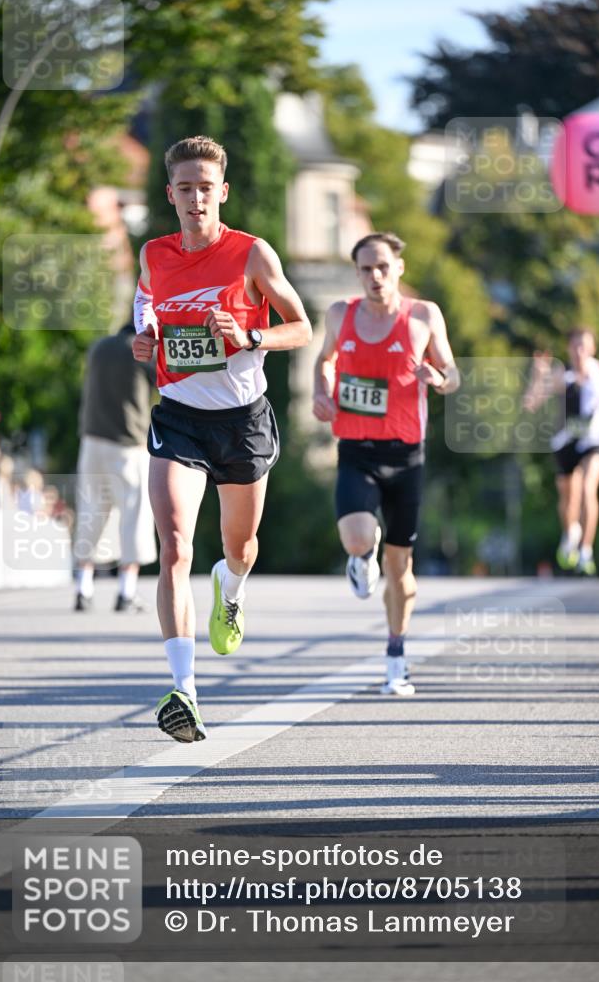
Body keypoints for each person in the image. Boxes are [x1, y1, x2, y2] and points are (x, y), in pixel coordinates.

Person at [132, 135, 311, 743]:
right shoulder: (153, 253)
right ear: (171, 195)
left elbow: (302, 327)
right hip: (179, 415)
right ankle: (183, 687)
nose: (196, 198)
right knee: (175, 546)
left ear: (222, 192)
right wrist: (146, 340)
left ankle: (229, 589)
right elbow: (146, 308)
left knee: (242, 547)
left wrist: (251, 337)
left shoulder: (252, 254)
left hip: (242, 420)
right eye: (185, 188)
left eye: (206, 187)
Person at [313, 232, 459, 696]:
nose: (374, 277)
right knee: (358, 535)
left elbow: (453, 374)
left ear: (399, 268)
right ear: (356, 273)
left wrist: (438, 377)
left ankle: (396, 654)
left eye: (382, 267)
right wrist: (321, 389)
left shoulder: (423, 316)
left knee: (402, 571)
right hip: (357, 450)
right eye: (365, 269)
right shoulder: (341, 314)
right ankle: (360, 557)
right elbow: (324, 360)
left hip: (406, 455)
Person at [74, 319, 158, 611]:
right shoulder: (141, 349)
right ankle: (126, 592)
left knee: (91, 512)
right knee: (134, 516)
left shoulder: (98, 348)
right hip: (128, 444)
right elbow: (166, 381)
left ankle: (83, 588)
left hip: (92, 440)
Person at [523, 327, 599, 576]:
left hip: (595, 439)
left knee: (589, 489)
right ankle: (571, 533)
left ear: (592, 348)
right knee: (568, 499)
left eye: (584, 346)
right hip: (566, 442)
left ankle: (586, 551)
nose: (579, 351)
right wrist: (538, 376)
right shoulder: (560, 374)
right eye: (575, 346)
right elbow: (532, 404)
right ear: (569, 349)